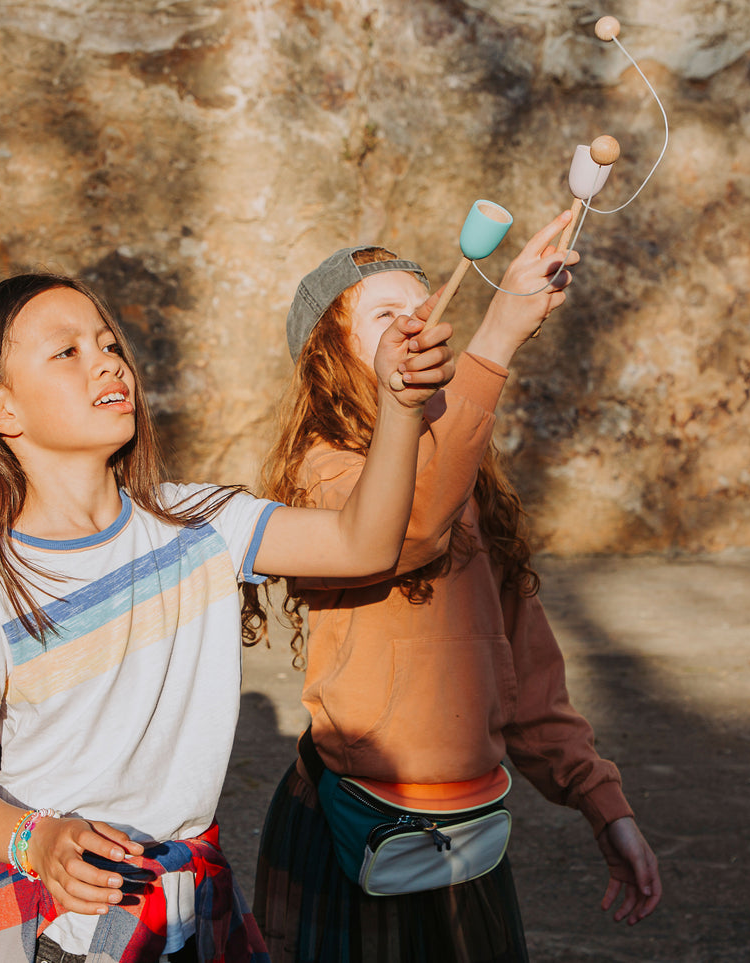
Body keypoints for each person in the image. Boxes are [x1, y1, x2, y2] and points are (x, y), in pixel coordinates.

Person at [0, 271, 457, 963]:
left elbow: (365, 542)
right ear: (0, 412)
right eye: (67, 352)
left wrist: (400, 405)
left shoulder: (201, 523)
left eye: (108, 343)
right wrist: (38, 839)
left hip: (191, 907)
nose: (108, 360)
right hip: (56, 922)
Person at [244, 214, 662, 963]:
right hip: (353, 826)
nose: (417, 320)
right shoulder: (323, 470)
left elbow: (526, 675)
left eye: (423, 302)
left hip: (466, 832)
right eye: (383, 314)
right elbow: (403, 531)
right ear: (330, 358)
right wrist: (494, 339)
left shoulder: (467, 481)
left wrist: (604, 805)